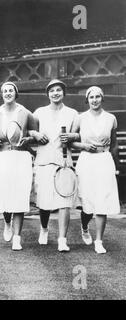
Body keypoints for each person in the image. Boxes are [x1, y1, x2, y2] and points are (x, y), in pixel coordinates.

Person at [29, 79, 80, 252]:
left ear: (63, 93)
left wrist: (72, 136)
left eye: (58, 90)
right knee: (44, 203)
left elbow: (78, 135)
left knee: (64, 202)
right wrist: (35, 133)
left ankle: (62, 239)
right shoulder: (38, 113)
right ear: (48, 94)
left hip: (64, 162)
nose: (55, 93)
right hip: (43, 161)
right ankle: (44, 229)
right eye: (52, 91)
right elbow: (29, 130)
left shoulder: (73, 113)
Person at [71, 86, 120, 254]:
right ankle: (84, 226)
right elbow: (70, 141)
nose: (94, 100)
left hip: (104, 160)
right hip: (86, 161)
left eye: (97, 96)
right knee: (87, 202)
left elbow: (114, 144)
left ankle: (99, 240)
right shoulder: (80, 118)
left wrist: (116, 164)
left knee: (102, 201)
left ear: (102, 98)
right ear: (87, 99)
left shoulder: (111, 118)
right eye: (91, 97)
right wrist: (84, 145)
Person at [0, 82, 36, 250]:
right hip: (2, 158)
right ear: (1, 94)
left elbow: (34, 137)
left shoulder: (26, 113)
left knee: (20, 196)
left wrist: (28, 139)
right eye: (5, 91)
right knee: (5, 195)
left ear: (16, 93)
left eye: (11, 90)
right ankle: (7, 221)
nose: (8, 93)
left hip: (21, 158)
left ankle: (17, 237)